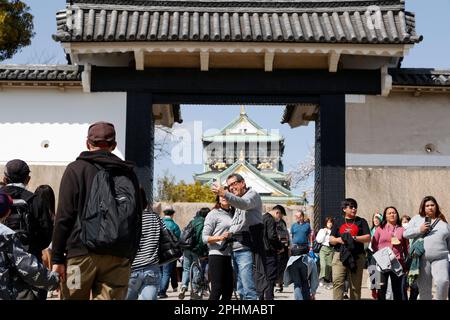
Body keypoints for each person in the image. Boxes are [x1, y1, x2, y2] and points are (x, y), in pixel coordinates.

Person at [51, 121, 142, 300]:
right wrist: (130, 255)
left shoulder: (76, 169)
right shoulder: (128, 173)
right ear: (114, 146)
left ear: (87, 143)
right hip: (118, 257)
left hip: (79, 257)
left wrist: (57, 259)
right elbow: (137, 217)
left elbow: (64, 217)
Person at [1, 159, 54, 300]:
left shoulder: (1, 197)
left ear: (4, 178)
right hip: (30, 268)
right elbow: (46, 235)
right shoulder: (36, 200)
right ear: (28, 179)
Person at [211, 173, 266, 300]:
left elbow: (245, 204)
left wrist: (224, 193)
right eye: (229, 186)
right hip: (235, 248)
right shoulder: (236, 203)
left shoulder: (252, 195)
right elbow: (237, 223)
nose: (231, 187)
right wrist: (229, 233)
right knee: (240, 289)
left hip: (246, 248)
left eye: (234, 184)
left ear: (243, 183)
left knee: (249, 289)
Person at [404, 196, 450, 300]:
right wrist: (419, 230)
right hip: (422, 259)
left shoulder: (443, 222)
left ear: (436, 207)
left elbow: (449, 242)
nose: (430, 207)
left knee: (443, 281)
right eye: (427, 205)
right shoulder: (416, 219)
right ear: (423, 207)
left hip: (441, 258)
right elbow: (405, 234)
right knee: (424, 290)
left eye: (432, 205)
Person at [329, 198, 370, 300]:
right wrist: (339, 240)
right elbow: (331, 239)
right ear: (344, 209)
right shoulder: (338, 221)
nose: (354, 209)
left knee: (355, 285)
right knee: (338, 282)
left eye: (355, 207)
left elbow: (368, 237)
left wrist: (353, 238)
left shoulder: (361, 221)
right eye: (351, 207)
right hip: (340, 255)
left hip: (357, 256)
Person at [126, 190, 163, 300]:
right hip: (151, 269)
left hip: (131, 268)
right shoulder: (155, 217)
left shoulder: (128, 219)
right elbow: (164, 236)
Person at [202, 189, 234, 300]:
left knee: (229, 288)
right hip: (216, 254)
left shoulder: (233, 213)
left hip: (230, 255)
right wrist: (221, 237)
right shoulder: (213, 214)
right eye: (221, 195)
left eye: (226, 195)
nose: (223, 197)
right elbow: (204, 238)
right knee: (217, 288)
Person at [371, 206, 409, 300]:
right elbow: (374, 244)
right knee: (381, 289)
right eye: (389, 213)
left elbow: (406, 247)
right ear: (385, 216)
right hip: (382, 263)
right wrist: (380, 255)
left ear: (397, 215)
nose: (392, 214)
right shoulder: (380, 229)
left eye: (394, 212)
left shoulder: (402, 230)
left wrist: (406, 264)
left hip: (397, 262)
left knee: (397, 290)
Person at [178, 207, 210, 300]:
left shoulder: (192, 221)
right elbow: (200, 239)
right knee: (196, 269)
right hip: (196, 249)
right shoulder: (203, 223)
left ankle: (183, 286)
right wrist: (202, 251)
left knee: (186, 269)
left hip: (187, 248)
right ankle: (195, 290)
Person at [158, 204, 181, 298]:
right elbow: (178, 239)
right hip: (170, 253)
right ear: (172, 214)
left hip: (158, 252)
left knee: (160, 272)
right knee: (167, 272)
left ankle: (159, 290)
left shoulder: (159, 223)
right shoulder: (175, 226)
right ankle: (162, 292)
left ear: (164, 213)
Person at [262, 206, 284, 300]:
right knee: (270, 278)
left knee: (262, 277)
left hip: (261, 252)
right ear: (277, 213)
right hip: (269, 252)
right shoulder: (271, 220)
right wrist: (280, 246)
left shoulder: (262, 218)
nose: (280, 219)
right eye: (281, 216)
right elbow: (272, 236)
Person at [400, 214, 419, 300]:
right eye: (404, 222)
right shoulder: (400, 234)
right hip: (403, 262)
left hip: (414, 261)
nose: (406, 224)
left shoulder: (415, 234)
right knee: (403, 284)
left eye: (408, 222)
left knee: (415, 285)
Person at [274, 205, 289, 293]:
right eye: (281, 214)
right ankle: (276, 284)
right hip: (276, 246)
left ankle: (280, 285)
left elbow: (285, 234)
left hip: (283, 247)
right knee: (277, 266)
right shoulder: (272, 221)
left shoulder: (282, 222)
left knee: (281, 266)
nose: (282, 216)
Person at [316, 217, 334, 289]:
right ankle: (321, 278)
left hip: (331, 249)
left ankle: (326, 281)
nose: (330, 224)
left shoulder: (333, 231)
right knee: (323, 265)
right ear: (326, 223)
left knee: (329, 266)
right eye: (328, 222)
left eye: (331, 222)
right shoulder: (322, 230)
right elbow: (319, 240)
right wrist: (325, 232)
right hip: (323, 249)